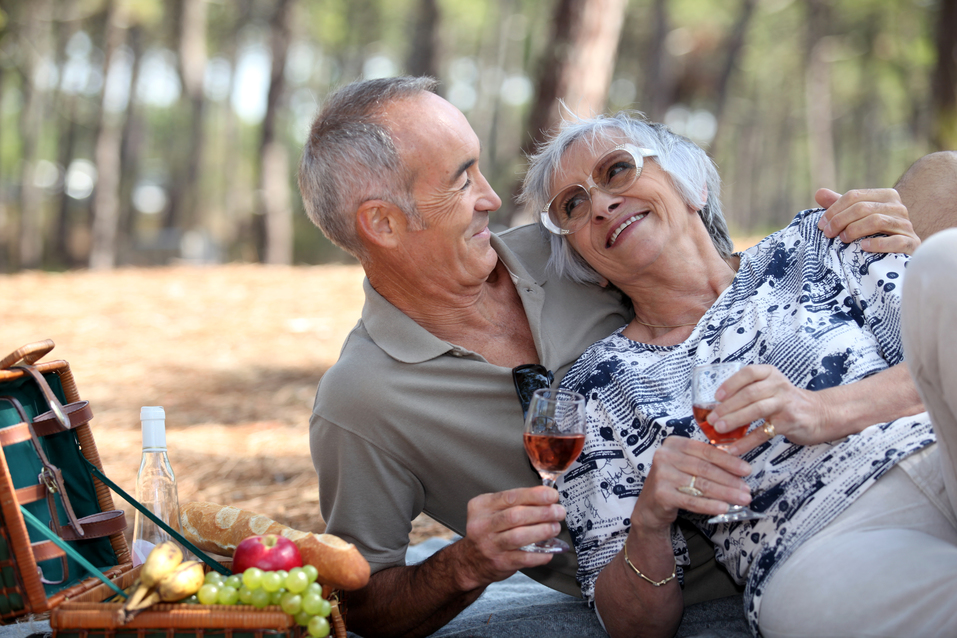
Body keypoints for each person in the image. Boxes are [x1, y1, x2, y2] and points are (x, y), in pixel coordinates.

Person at [297, 76, 926, 638]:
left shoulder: (565, 250)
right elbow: (356, 606)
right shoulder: (361, 402)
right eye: (462, 179)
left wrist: (903, 230)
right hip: (779, 560)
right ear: (381, 223)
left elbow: (717, 261)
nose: (491, 198)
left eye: (618, 173)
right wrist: (465, 564)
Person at [518, 110, 957, 637]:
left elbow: (939, 363)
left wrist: (821, 410)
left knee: (944, 261)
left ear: (693, 185)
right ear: (580, 256)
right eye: (573, 205)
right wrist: (649, 522)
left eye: (617, 171)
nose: (602, 205)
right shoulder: (598, 389)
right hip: (817, 545)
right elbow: (633, 626)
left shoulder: (814, 241)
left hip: (941, 455)